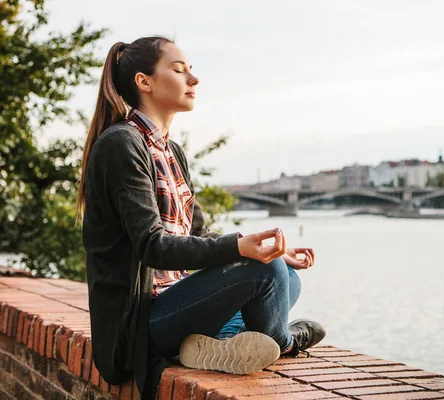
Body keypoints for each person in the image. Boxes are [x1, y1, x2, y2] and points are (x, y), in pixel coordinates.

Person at [75, 36, 325, 400]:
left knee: (284, 274)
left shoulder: (170, 150)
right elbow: (153, 247)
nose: (194, 79)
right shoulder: (121, 144)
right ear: (144, 81)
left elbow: (199, 232)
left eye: (192, 70)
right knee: (266, 275)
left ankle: (207, 345)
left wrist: (265, 250)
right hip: (139, 327)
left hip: (175, 305)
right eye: (179, 70)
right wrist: (242, 250)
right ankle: (283, 341)